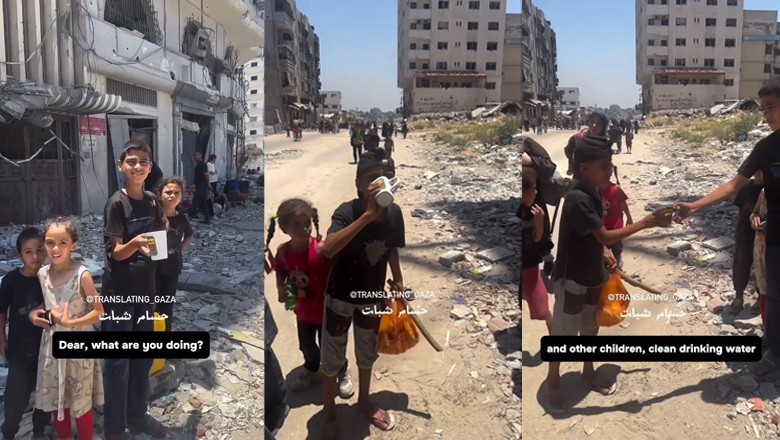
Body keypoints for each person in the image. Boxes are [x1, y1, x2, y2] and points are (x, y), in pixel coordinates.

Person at [546, 133, 665, 414]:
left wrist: (604, 252)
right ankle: (553, 380)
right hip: (572, 279)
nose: (609, 170)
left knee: (590, 328)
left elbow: (593, 237)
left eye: (610, 165)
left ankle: (588, 370)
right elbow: (604, 234)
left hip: (593, 276)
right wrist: (646, 222)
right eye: (604, 167)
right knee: (564, 333)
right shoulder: (577, 198)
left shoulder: (594, 192)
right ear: (584, 168)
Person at [675, 78, 780, 376]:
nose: (766, 115)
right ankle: (775, 352)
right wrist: (695, 206)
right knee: (775, 296)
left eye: (772, 107)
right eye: (763, 109)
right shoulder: (766, 148)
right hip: (776, 238)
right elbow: (734, 185)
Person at [318, 148, 404, 439]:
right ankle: (330, 412)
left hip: (372, 299)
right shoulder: (347, 212)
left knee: (367, 353)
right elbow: (328, 248)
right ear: (358, 185)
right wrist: (367, 216)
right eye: (371, 178)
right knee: (332, 357)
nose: (379, 182)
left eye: (384, 177)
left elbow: (391, 247)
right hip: (340, 299)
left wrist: (398, 279)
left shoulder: (394, 214)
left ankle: (364, 401)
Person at [102, 140, 168, 439]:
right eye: (131, 161)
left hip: (146, 289)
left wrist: (163, 241)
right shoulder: (116, 203)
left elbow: (157, 242)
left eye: (143, 161)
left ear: (150, 168)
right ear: (121, 166)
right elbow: (116, 252)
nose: (137, 166)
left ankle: (138, 415)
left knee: (142, 356)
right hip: (120, 292)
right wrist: (137, 243)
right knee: (118, 361)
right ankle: (115, 428)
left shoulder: (152, 200)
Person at [266, 199, 354, 395]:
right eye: (296, 224)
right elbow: (280, 269)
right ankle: (312, 369)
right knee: (306, 346)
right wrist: (280, 287)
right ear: (284, 228)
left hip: (327, 312)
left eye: (307, 223)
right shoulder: (283, 252)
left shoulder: (322, 250)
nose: (303, 228)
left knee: (330, 347)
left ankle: (342, 370)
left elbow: (340, 270)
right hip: (303, 312)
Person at [35, 218, 105, 440]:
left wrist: (70, 323)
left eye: (62, 243)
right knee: (58, 399)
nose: (56, 249)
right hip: (52, 349)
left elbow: (99, 311)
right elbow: (48, 308)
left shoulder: (82, 275)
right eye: (50, 243)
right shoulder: (42, 274)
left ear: (73, 245)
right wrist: (40, 316)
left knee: (81, 403)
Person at [0, 228, 50, 440]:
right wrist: (1, 339)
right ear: (20, 254)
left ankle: (39, 431)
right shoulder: (11, 280)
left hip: (46, 350)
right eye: (28, 252)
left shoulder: (49, 278)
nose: (35, 256)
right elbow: (2, 312)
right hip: (19, 350)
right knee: (16, 398)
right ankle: (8, 433)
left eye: (39, 250)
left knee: (44, 396)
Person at [154, 177, 193, 331]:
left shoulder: (181, 218)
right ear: (159, 195)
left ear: (181, 197)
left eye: (177, 193)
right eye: (168, 192)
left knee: (167, 304)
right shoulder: (154, 217)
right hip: (154, 267)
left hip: (173, 267)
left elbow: (189, 234)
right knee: (153, 303)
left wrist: (179, 247)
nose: (172, 196)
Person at [521, 167, 554, 334]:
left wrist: (539, 222)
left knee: (542, 310)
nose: (536, 192)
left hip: (530, 269)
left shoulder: (532, 211)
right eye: (533, 189)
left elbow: (536, 239)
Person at [728, 172, 765, 313]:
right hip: (744, 232)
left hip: (763, 234)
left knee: (762, 268)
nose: (759, 174)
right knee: (741, 264)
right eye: (757, 171)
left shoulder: (771, 188)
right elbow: (741, 210)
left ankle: (760, 298)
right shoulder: (746, 187)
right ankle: (738, 296)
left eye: (762, 171)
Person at [599, 167, 633, 269]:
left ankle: (618, 264)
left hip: (616, 228)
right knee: (603, 251)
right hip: (601, 229)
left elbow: (623, 204)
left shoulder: (616, 189)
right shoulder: (594, 191)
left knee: (617, 248)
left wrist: (629, 217)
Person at [751, 187, 769, 329]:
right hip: (762, 249)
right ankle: (767, 330)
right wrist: (754, 218)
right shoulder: (765, 192)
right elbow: (755, 212)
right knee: (764, 290)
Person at [188, 152, 212, 224]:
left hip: (202, 185)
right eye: (195, 155)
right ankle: (207, 218)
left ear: (201, 155)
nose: (195, 157)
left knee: (196, 200)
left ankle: (191, 215)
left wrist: (208, 183)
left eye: (197, 155)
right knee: (202, 202)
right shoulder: (198, 164)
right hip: (199, 184)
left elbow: (206, 174)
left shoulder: (202, 164)